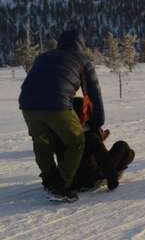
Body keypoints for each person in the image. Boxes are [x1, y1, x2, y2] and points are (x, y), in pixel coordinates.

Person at [19, 29, 105, 202]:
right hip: (57, 104)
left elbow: (38, 80)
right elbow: (94, 93)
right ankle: (61, 185)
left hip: (27, 103)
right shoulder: (83, 60)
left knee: (42, 142)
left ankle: (49, 181)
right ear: (81, 45)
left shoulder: (43, 56)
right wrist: (97, 122)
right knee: (77, 141)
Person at [55, 96, 135, 192]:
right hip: (91, 179)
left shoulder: (60, 132)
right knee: (123, 147)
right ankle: (114, 172)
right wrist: (112, 179)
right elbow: (103, 157)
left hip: (70, 181)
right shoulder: (89, 136)